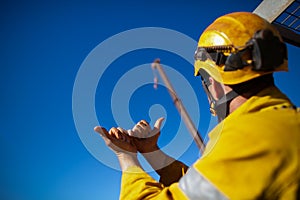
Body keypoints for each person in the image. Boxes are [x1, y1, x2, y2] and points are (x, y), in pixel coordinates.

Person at [94, 12, 300, 199]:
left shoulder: (252, 136)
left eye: (207, 80)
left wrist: (127, 158)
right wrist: (151, 152)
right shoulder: (282, 124)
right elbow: (205, 186)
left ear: (215, 81)